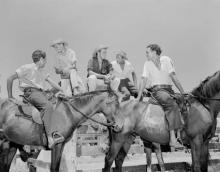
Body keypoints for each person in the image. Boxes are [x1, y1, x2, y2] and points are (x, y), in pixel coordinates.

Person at [7, 50, 64, 148]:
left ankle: (51, 130)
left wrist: (61, 89)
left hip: (41, 92)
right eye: (45, 60)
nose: (46, 62)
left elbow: (54, 85)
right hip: (31, 92)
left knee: (57, 104)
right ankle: (50, 138)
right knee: (48, 106)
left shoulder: (42, 72)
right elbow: (9, 79)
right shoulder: (27, 68)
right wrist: (10, 96)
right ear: (41, 59)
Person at [137, 44, 185, 150]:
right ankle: (173, 138)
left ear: (154, 52)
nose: (146, 54)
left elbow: (173, 76)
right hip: (157, 90)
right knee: (171, 103)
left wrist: (183, 92)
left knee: (183, 102)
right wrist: (138, 97)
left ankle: (183, 134)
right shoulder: (147, 64)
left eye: (147, 52)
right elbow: (143, 80)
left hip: (169, 89)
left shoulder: (166, 60)